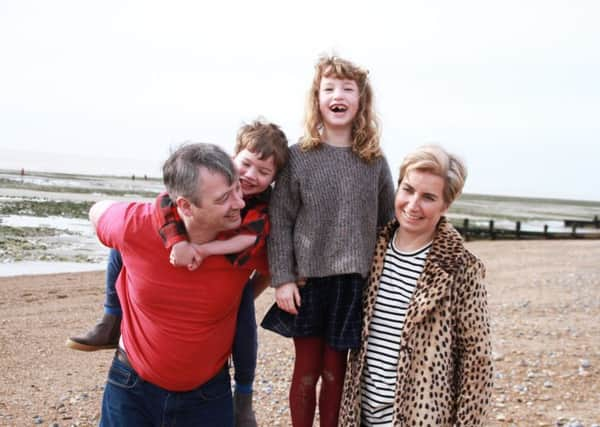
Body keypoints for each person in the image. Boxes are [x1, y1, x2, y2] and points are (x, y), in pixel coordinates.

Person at [68, 121, 289, 426]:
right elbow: (98, 211)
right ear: (185, 205)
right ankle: (109, 319)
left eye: (238, 191)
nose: (239, 202)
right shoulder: (140, 223)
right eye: (224, 197)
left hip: (208, 398)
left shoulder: (249, 240)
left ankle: (245, 397)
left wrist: (244, 295)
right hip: (131, 390)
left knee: (243, 320)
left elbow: (280, 268)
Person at [261, 55, 395, 427]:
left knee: (336, 373)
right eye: (329, 88)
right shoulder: (298, 157)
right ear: (317, 98)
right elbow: (280, 218)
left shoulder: (374, 161)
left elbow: (388, 224)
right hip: (307, 284)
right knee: (306, 371)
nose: (338, 95)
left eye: (347, 89)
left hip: (353, 284)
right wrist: (283, 278)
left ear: (361, 101)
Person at [338, 145, 494, 426]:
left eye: (428, 197)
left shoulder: (461, 268)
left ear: (445, 205)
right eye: (408, 190)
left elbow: (477, 363)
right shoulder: (370, 250)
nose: (412, 205)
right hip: (359, 415)